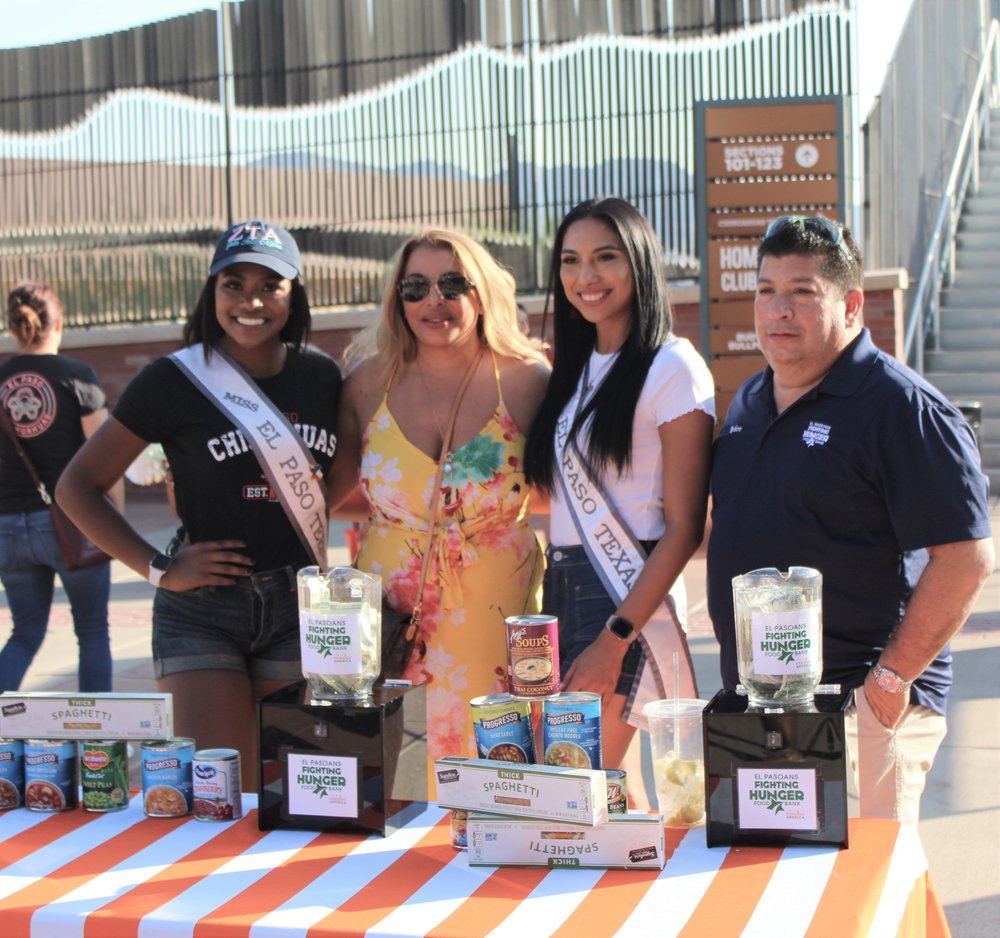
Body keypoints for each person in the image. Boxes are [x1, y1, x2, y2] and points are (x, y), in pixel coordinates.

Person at [706, 214, 994, 825]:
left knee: (865, 902)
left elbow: (965, 560)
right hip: (759, 712)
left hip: (857, 707)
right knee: (772, 906)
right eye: (766, 292)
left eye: (804, 293)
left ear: (853, 304)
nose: (779, 310)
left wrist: (888, 686)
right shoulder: (750, 402)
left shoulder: (902, 408)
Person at [57, 221, 342, 791]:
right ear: (212, 292)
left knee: (289, 794)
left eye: (271, 285)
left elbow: (340, 474)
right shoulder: (174, 379)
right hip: (202, 611)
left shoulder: (321, 376)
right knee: (222, 791)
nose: (251, 301)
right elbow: (76, 487)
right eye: (233, 284)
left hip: (295, 605)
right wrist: (159, 570)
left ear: (296, 294)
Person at [328, 227, 550, 766]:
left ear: (482, 294)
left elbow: (568, 490)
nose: (435, 300)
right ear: (396, 298)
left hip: (496, 604)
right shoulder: (364, 384)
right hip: (390, 608)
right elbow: (325, 496)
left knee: (502, 767)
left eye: (453, 283)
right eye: (416, 286)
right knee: (398, 769)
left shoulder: (526, 380)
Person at [523, 197, 716, 786]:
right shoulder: (575, 372)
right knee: (599, 794)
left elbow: (685, 526)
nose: (586, 277)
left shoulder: (672, 367)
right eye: (571, 260)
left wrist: (616, 638)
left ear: (639, 264)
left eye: (605, 258)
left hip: (623, 595)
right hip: (562, 590)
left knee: (567, 786)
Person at [0, 283, 123, 692]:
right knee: (92, 631)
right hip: (74, 523)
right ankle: (98, 740)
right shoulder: (77, 377)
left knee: (25, 632)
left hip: (7, 529)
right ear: (60, 324)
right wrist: (115, 524)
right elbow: (106, 458)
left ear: (14, 326)